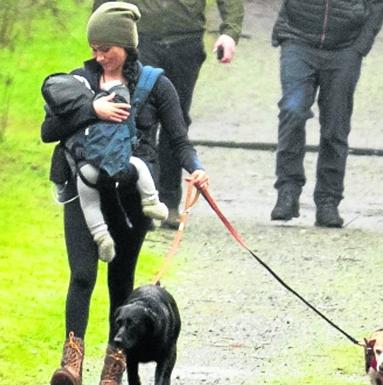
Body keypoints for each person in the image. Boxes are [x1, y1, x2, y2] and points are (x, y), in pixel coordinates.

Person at [40, 3, 209, 385]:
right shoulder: (79, 83)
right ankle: (71, 363)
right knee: (82, 276)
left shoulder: (155, 85)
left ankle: (114, 367)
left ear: (127, 46)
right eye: (94, 47)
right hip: (83, 192)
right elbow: (47, 131)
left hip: (131, 196)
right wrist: (91, 110)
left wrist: (195, 168)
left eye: (107, 49)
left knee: (121, 282)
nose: (99, 56)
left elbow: (179, 138)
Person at [92, 0, 244, 229]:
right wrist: (101, 36)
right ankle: (138, 198)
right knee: (139, 119)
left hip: (186, 41)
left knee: (176, 120)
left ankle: (169, 200)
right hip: (140, 39)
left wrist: (230, 32)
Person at [270, 0, 383, 227]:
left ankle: (328, 201)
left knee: (336, 124)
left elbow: (377, 4)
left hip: (345, 48)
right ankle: (288, 190)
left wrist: (361, 45)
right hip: (297, 38)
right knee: (292, 111)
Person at [41, 74, 169, 263]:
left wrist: (60, 186)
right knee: (140, 166)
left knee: (90, 205)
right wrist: (116, 87)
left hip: (84, 170)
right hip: (115, 163)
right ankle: (151, 202)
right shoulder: (103, 101)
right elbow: (123, 104)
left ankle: (101, 236)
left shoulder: (64, 115)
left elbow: (57, 148)